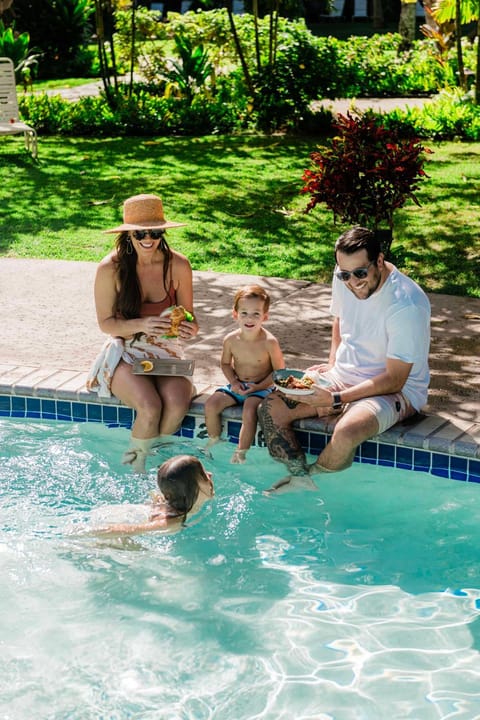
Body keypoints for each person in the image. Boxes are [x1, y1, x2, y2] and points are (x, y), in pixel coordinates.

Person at [259, 226, 431, 492]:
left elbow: (395, 379)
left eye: (360, 273)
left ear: (380, 261)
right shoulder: (344, 278)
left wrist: (337, 399)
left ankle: (315, 481)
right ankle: (299, 476)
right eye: (345, 274)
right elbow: (340, 318)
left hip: (396, 391)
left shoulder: (405, 305)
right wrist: (333, 364)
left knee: (347, 431)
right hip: (343, 376)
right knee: (271, 408)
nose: (352, 282)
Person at [86, 194, 199, 473]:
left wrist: (190, 327)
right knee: (150, 407)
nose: (148, 239)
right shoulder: (109, 268)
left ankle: (159, 470)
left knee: (175, 403)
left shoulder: (178, 265)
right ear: (128, 235)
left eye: (155, 232)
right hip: (127, 352)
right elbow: (106, 324)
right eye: (140, 233)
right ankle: (134, 472)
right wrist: (142, 325)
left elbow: (189, 315)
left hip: (165, 353)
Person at [204, 284, 285, 463]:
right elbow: (225, 364)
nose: (250, 318)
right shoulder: (231, 340)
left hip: (261, 388)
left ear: (265, 316)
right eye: (244, 313)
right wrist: (233, 382)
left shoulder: (269, 342)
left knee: (249, 411)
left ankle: (241, 452)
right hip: (237, 384)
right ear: (235, 315)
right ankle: (214, 439)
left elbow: (279, 373)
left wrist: (259, 386)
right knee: (211, 405)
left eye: (256, 313)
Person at [91, 455, 214, 537]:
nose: (210, 474)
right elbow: (125, 530)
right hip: (109, 523)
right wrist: (79, 531)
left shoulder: (168, 499)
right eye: (203, 475)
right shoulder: (173, 521)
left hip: (113, 514)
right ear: (192, 488)